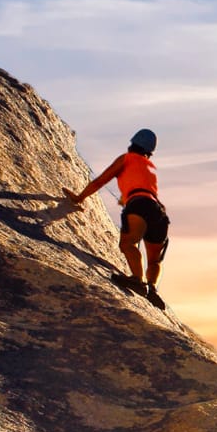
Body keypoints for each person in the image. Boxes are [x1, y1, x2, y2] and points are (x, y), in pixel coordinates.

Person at [64, 128, 170, 308]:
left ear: (133, 144)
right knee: (154, 260)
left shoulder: (126, 159)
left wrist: (79, 198)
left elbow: (100, 181)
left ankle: (137, 280)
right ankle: (152, 289)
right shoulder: (150, 167)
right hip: (159, 212)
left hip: (139, 204)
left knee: (128, 243)